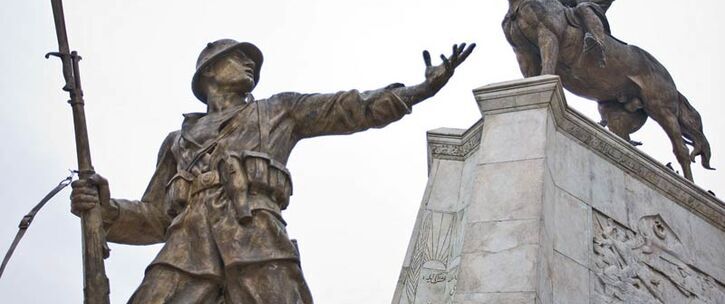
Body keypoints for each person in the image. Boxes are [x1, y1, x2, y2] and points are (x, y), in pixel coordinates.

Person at [70, 38, 474, 303]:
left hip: (257, 246)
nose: (249, 62)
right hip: (184, 254)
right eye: (236, 57)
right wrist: (106, 210)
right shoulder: (177, 140)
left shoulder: (278, 111)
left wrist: (416, 93)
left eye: (252, 60)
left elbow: (349, 109)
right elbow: (156, 216)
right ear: (208, 72)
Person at [559, 0, 617, 66]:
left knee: (582, 7)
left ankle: (597, 43)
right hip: (575, 20)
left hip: (595, 15)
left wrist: (572, 0)